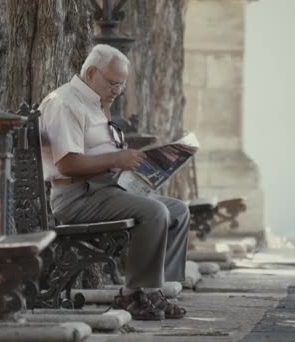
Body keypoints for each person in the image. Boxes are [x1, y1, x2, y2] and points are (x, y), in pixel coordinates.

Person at [38, 44, 189, 321]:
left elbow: (106, 156)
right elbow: (67, 164)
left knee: (179, 210)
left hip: (108, 189)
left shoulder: (97, 103)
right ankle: (134, 295)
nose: (118, 90)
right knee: (155, 213)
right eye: (113, 82)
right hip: (77, 196)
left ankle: (153, 291)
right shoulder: (64, 103)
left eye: (122, 84)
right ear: (92, 72)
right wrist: (117, 159)